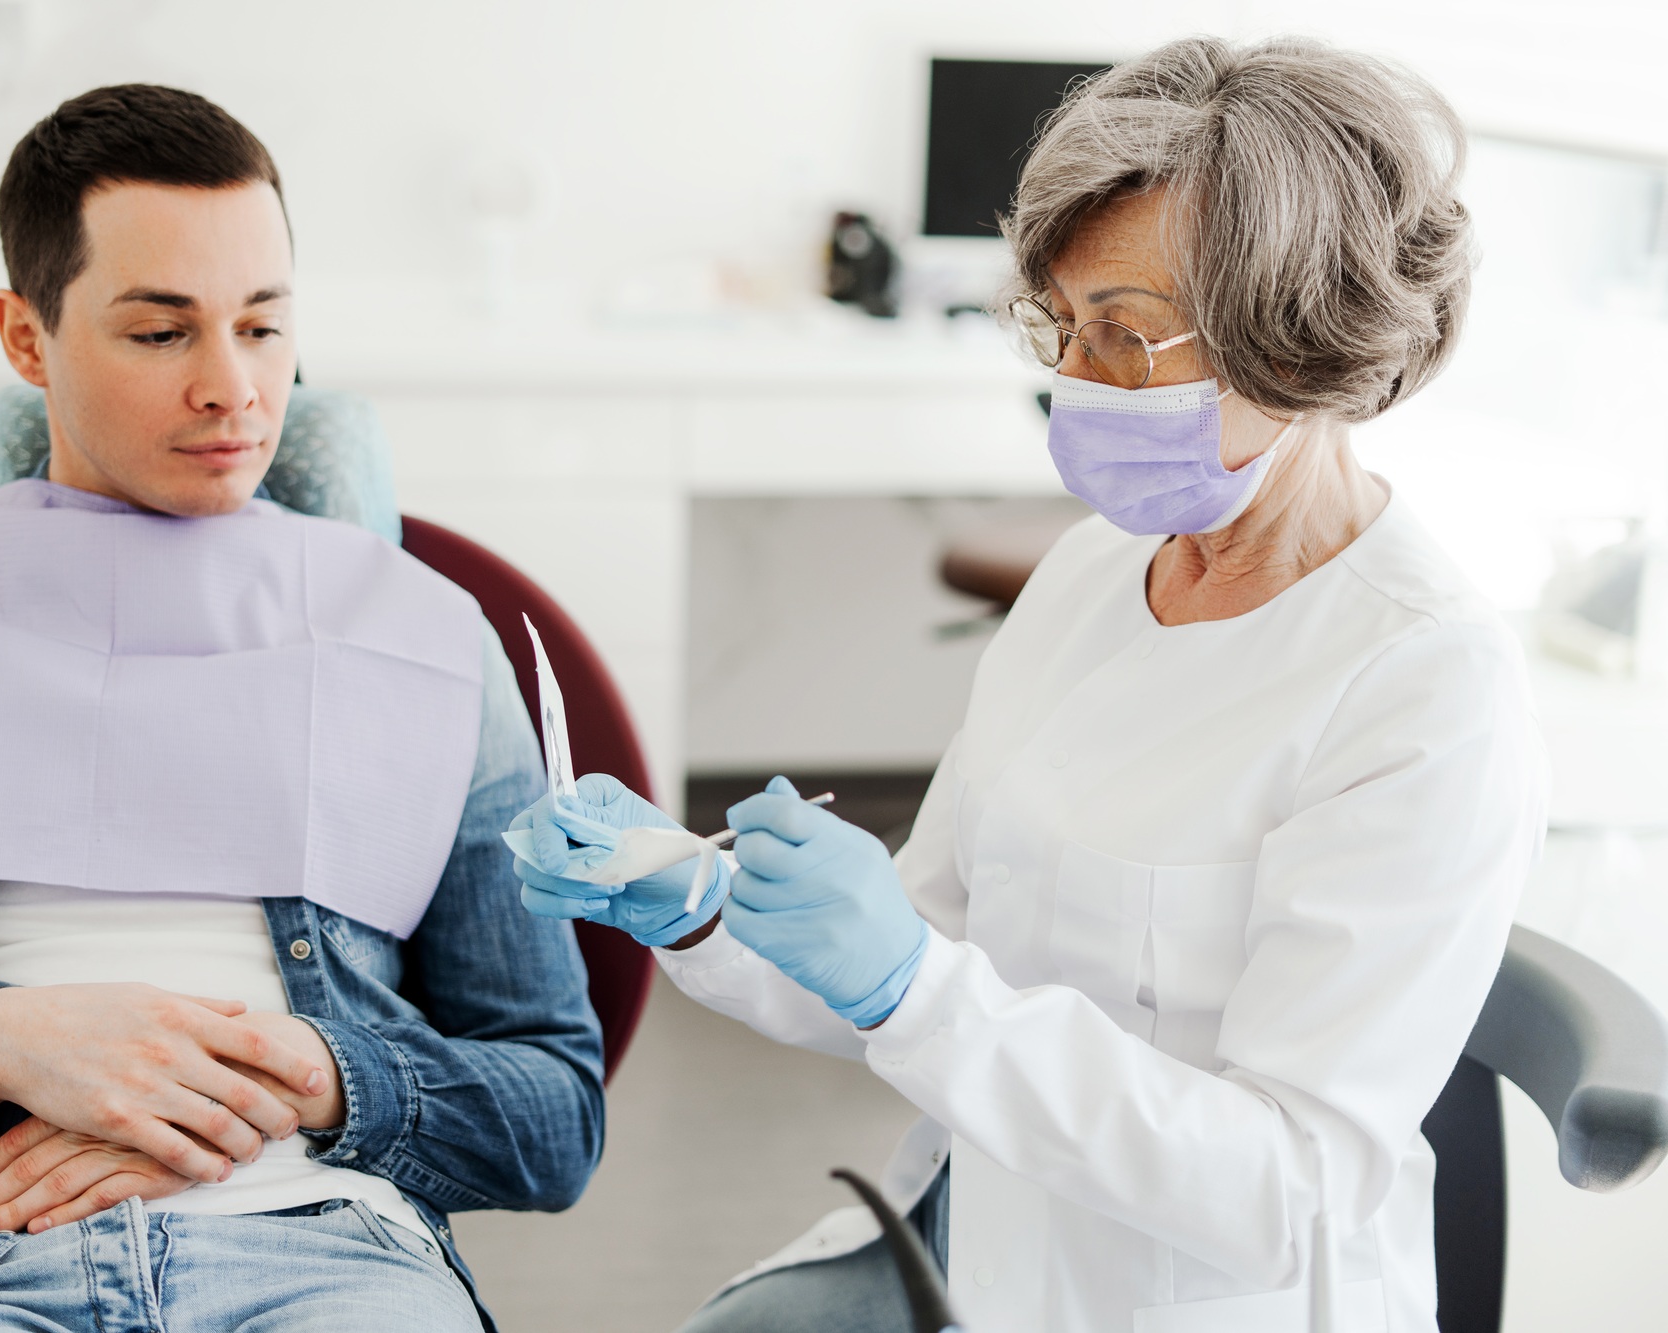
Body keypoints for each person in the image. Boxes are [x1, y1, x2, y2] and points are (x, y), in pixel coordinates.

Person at [513, 36, 1545, 1333]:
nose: (1073, 383)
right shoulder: (1093, 571)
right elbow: (921, 935)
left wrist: (911, 984)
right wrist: (702, 902)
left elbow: (1286, 1188)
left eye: (1123, 337)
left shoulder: (1423, 688)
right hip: (982, 1229)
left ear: (1295, 339)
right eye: (1060, 327)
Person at [0, 85, 602, 1333]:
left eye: (262, 327)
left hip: (333, 1258)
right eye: (161, 332)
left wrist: (300, 1075)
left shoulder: (423, 644)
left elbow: (554, 1118)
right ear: (26, 337)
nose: (233, 388)